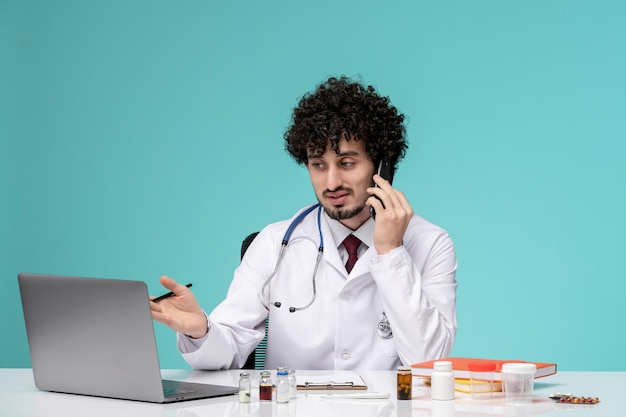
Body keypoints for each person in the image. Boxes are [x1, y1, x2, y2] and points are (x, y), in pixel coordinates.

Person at [151, 75, 457, 370]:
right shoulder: (274, 243)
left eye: (347, 163)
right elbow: (227, 348)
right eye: (318, 165)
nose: (332, 181)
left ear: (382, 165)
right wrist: (199, 330)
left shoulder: (430, 244)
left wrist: (391, 254)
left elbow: (428, 363)